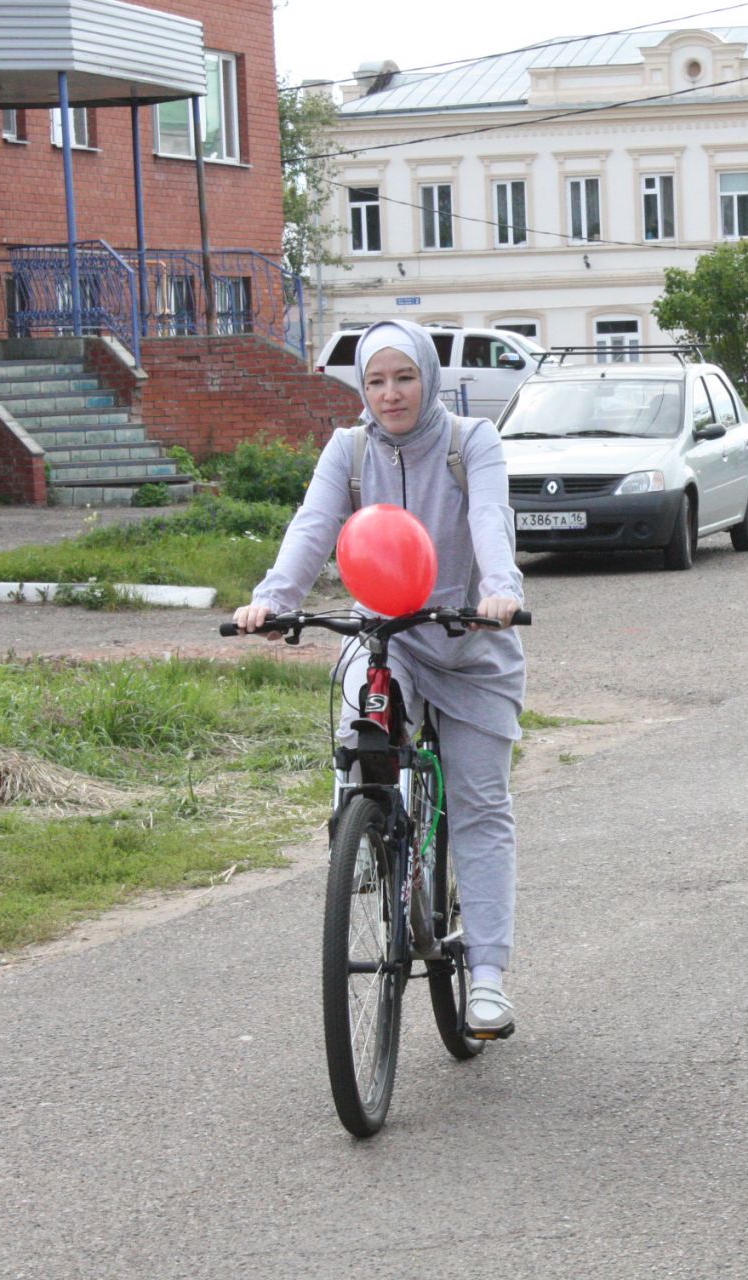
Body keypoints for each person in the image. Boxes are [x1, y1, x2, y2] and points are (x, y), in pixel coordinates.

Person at [233, 319, 526, 1036]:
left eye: (404, 377)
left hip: (469, 640)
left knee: (480, 804)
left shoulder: (469, 443)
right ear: (361, 386)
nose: (390, 394)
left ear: (428, 376)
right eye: (375, 380)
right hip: (388, 635)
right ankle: (365, 830)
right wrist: (274, 601)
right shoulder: (349, 448)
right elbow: (313, 526)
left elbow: (490, 517)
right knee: (360, 717)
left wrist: (501, 591)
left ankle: (485, 977)